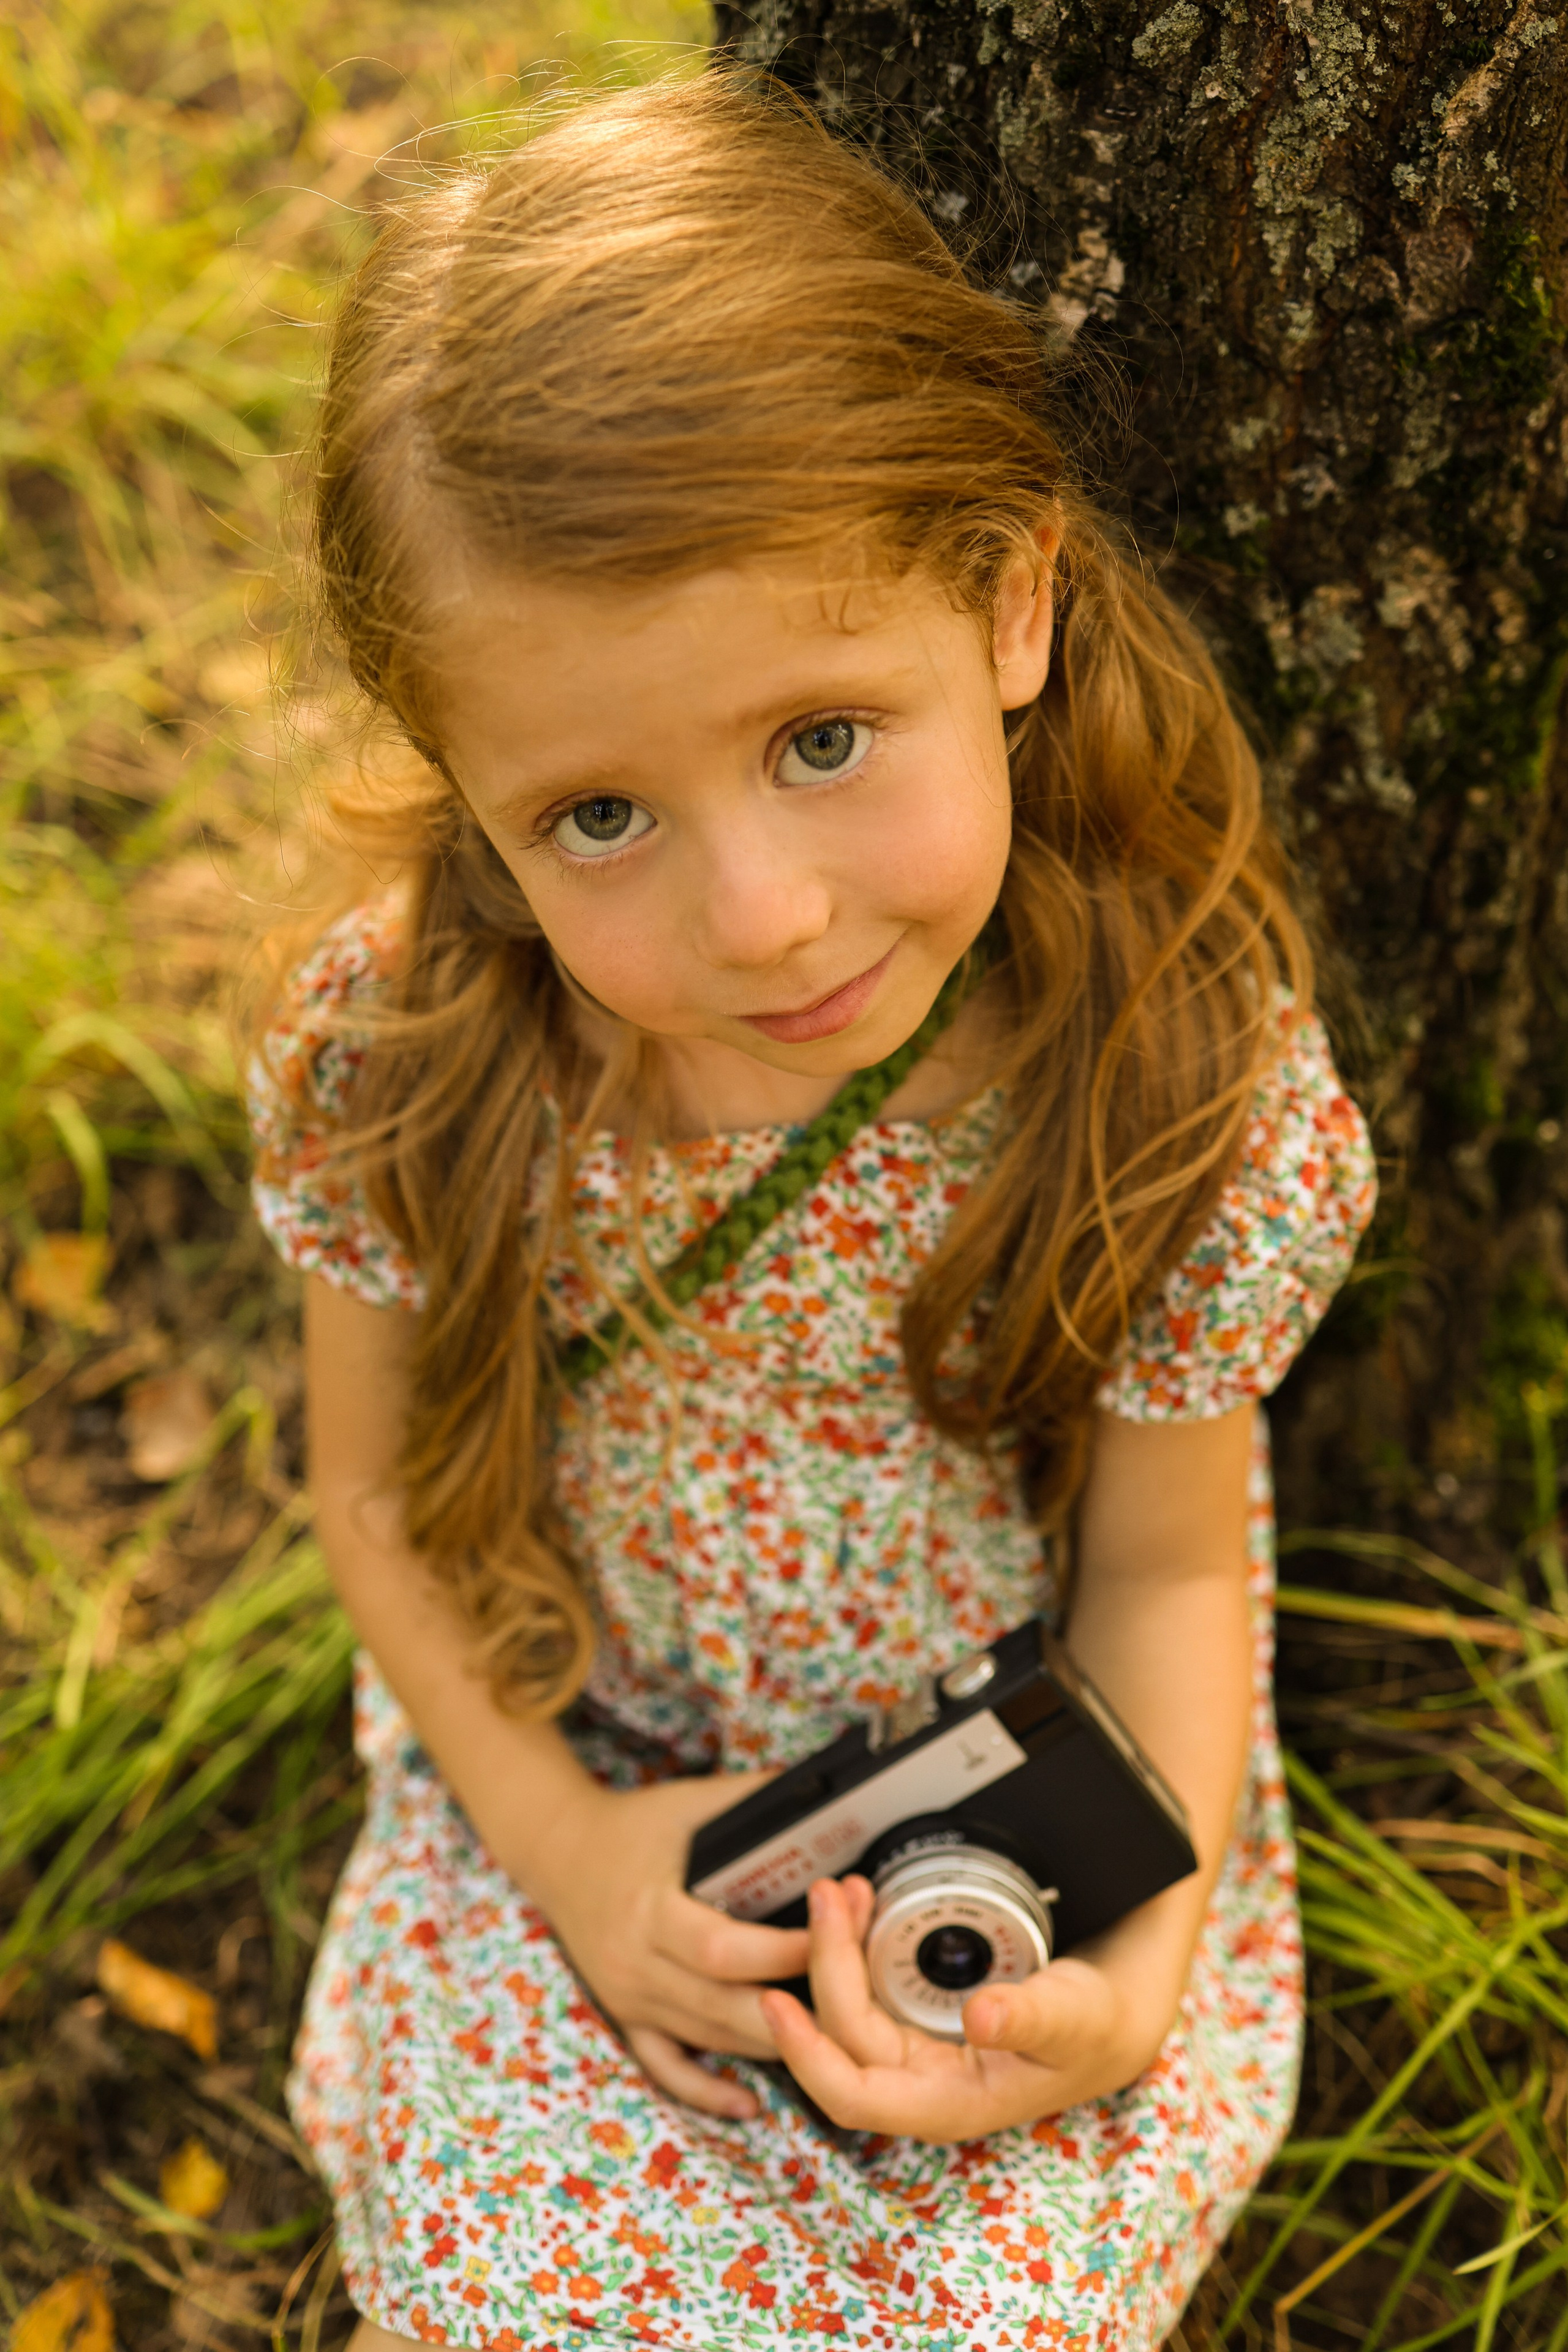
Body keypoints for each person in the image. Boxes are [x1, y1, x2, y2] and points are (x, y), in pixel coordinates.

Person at [247, 71, 1377, 2351]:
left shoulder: (1167, 1064)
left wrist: (1130, 1993)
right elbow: (371, 1498)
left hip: (1031, 1815)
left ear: (1014, 602)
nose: (760, 917)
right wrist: (576, 1860)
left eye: (824, 738)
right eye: (594, 816)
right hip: (586, 1773)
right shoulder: (406, 1056)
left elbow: (1170, 1564)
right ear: (469, 798)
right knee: (517, 2286)